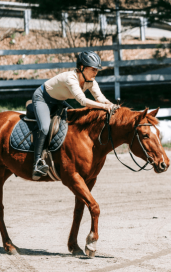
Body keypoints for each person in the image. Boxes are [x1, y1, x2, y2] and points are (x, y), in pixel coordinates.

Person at [31, 51, 114, 180]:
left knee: (74, 120)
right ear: (81, 68)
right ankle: (37, 162)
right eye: (92, 69)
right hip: (42, 98)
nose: (95, 72)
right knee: (45, 127)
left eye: (97, 70)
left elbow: (100, 98)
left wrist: (113, 106)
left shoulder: (90, 81)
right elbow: (82, 101)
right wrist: (104, 107)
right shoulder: (70, 78)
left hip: (57, 101)